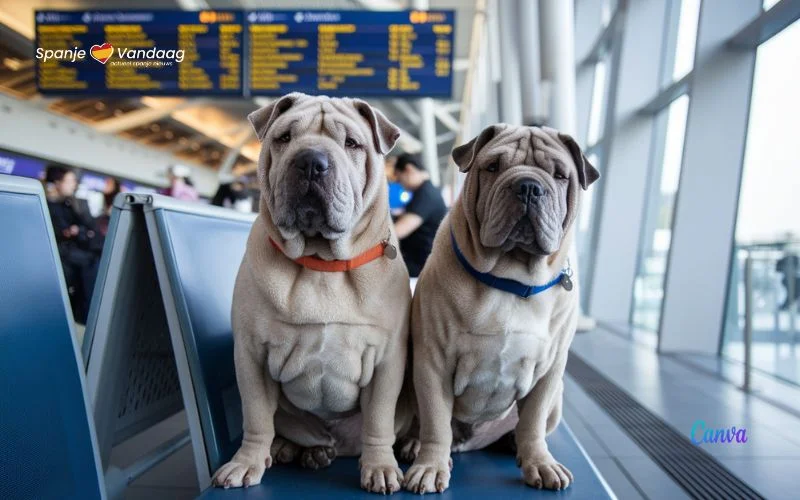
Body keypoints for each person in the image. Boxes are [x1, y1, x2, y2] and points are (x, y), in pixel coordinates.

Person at [45, 165, 104, 324]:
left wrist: (79, 231)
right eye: (69, 180)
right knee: (91, 261)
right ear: (57, 182)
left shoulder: (70, 205)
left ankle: (86, 312)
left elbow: (89, 228)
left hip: (74, 253)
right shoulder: (47, 205)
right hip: (62, 254)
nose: (74, 184)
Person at [392, 153, 447, 277]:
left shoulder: (426, 194)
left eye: (400, 179)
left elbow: (398, 231)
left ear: (408, 169)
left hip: (418, 264)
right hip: (419, 259)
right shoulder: (427, 190)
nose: (401, 184)